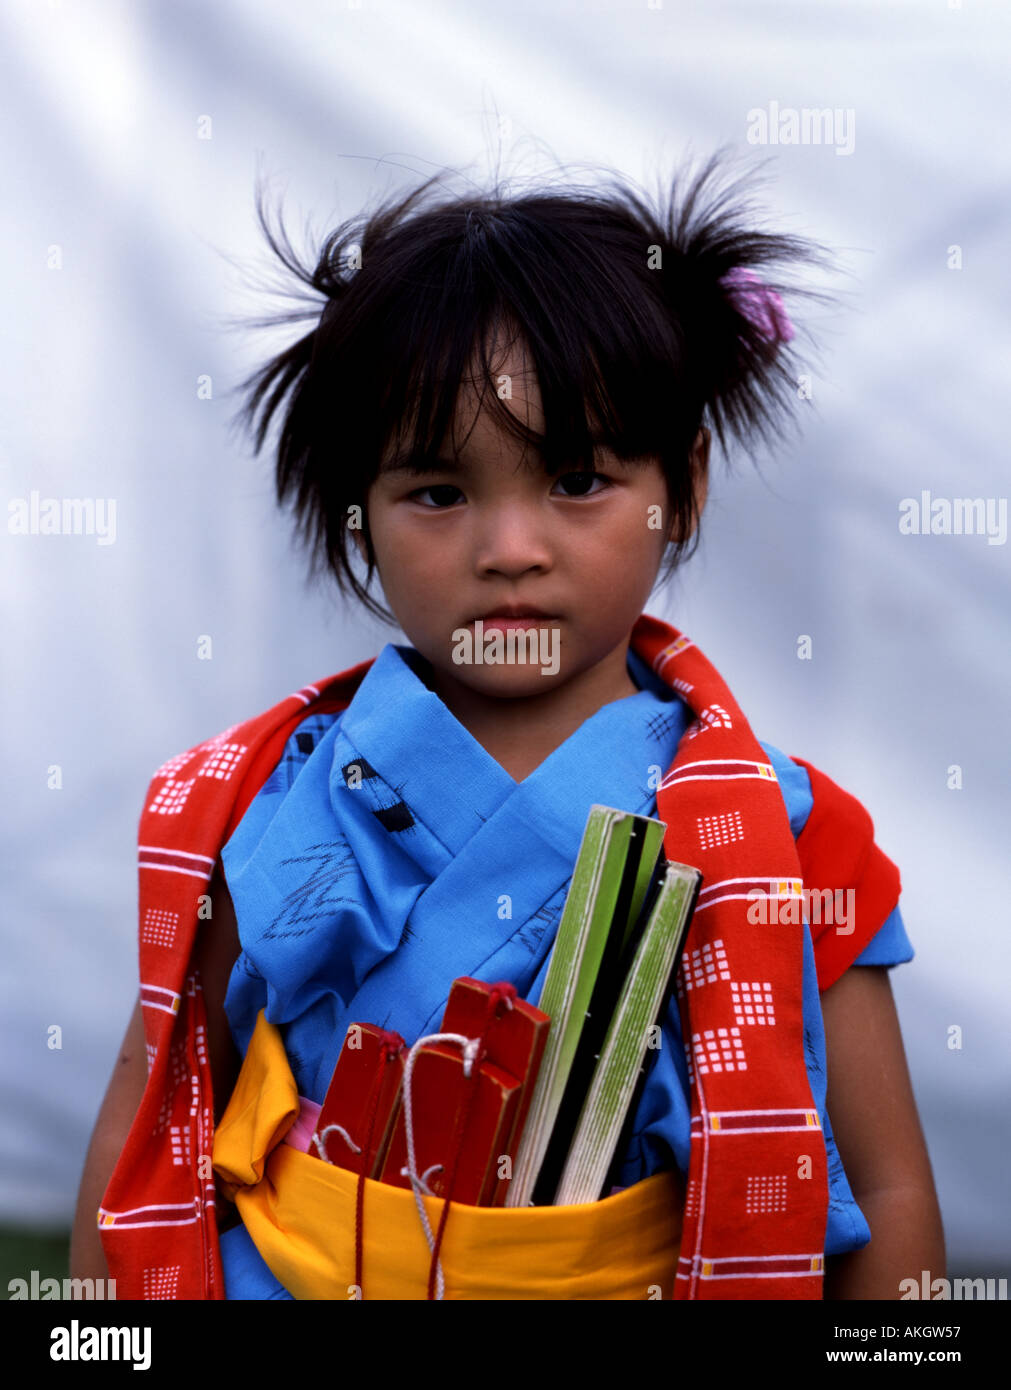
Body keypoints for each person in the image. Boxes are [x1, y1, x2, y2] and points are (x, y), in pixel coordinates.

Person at [71, 149, 945, 1300]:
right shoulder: (249, 801)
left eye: (578, 478)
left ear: (679, 485)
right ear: (356, 518)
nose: (511, 549)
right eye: (437, 493)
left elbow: (885, 1187)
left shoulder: (790, 837)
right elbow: (160, 1105)